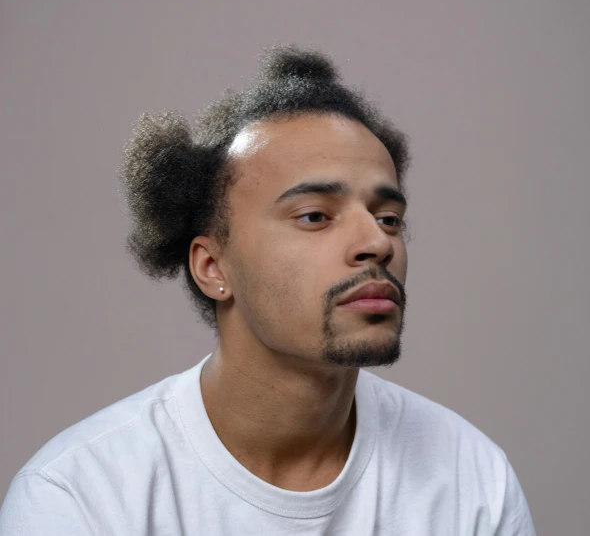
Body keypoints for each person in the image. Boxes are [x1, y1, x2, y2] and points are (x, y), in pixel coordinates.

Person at [0, 45, 537, 534]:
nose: (377, 242)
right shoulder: (79, 499)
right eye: (313, 215)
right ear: (213, 267)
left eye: (389, 217)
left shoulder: (472, 480)